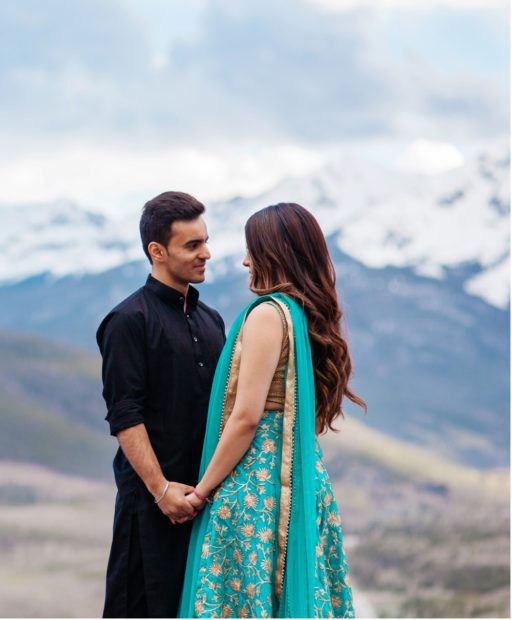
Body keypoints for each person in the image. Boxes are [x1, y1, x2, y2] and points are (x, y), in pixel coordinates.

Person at [177, 202, 366, 618]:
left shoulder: (268, 315)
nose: (246, 261)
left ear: (274, 253)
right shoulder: (306, 315)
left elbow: (246, 418)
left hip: (257, 488)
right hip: (303, 479)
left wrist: (202, 492)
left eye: (252, 249)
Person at [98, 191, 227, 618]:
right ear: (157, 251)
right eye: (192, 245)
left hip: (205, 504)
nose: (206, 253)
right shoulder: (128, 321)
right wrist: (161, 491)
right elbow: (125, 415)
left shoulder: (212, 321)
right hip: (150, 510)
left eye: (205, 241)